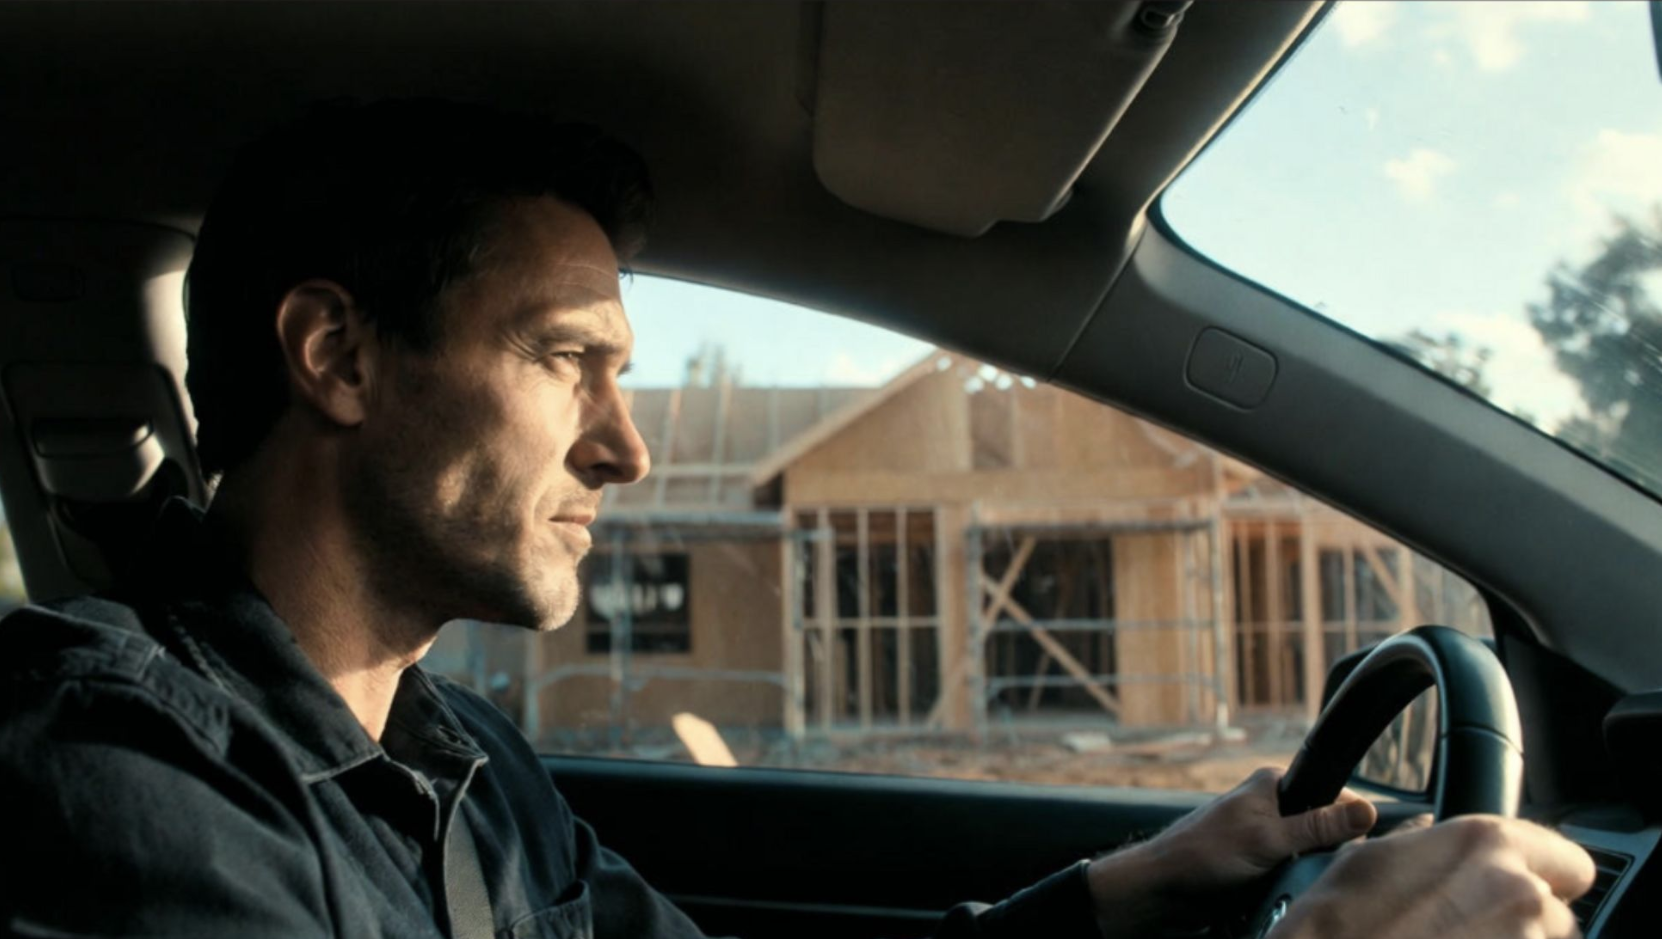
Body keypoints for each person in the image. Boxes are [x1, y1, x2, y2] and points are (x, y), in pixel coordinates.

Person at [0, 100, 1592, 939]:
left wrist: (1133, 886)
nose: (626, 446)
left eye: (622, 375)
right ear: (338, 356)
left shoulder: (465, 764)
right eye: (564, 361)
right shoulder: (111, 778)